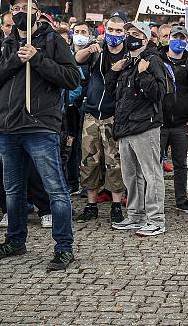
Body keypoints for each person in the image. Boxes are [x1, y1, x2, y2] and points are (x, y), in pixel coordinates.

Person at [0, 0, 80, 271]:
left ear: (37, 12)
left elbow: (71, 78)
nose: (21, 11)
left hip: (40, 127)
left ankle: (63, 247)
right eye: (16, 7)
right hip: (9, 128)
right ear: (11, 14)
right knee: (13, 191)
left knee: (55, 190)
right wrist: (14, 60)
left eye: (27, 6)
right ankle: (15, 240)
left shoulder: (52, 41)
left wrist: (37, 58)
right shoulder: (4, 44)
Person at [108, 22, 170, 236]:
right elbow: (114, 95)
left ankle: (156, 219)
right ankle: (135, 215)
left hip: (145, 125)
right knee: (131, 175)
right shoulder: (128, 62)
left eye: (135, 34)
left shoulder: (152, 60)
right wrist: (114, 73)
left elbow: (159, 94)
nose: (129, 37)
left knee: (151, 173)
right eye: (128, 33)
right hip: (126, 126)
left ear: (145, 39)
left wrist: (144, 75)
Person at [73, 16, 127, 225]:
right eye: (111, 30)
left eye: (118, 31)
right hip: (92, 114)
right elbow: (77, 58)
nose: (114, 34)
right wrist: (89, 49)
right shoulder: (97, 51)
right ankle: (91, 205)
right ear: (105, 31)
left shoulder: (127, 55)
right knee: (89, 161)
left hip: (114, 115)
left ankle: (115, 205)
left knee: (114, 162)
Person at [159, 24, 188, 214]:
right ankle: (154, 200)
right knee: (154, 164)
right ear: (168, 39)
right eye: (175, 37)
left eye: (182, 38)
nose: (178, 41)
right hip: (158, 122)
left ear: (186, 41)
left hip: (181, 123)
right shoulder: (157, 59)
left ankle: (181, 200)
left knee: (180, 165)